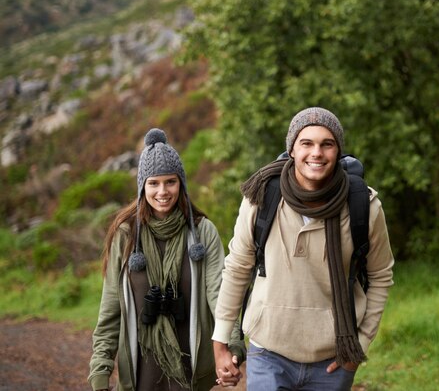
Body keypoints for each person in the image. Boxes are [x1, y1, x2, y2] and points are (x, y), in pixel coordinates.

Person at [212, 107, 395, 390]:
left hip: (333, 360)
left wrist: (360, 345)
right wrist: (221, 341)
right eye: (306, 143)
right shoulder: (261, 197)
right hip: (268, 352)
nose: (316, 153)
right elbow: (237, 268)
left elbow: (381, 276)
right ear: (292, 150)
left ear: (338, 151)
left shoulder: (365, 206)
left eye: (327, 144)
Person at [88, 128, 245, 391]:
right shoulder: (125, 235)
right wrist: (100, 370)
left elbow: (220, 295)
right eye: (154, 183)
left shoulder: (202, 231)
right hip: (140, 373)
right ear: (142, 187)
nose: (163, 191)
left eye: (170, 182)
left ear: (181, 184)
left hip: (191, 369)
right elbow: (110, 309)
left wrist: (233, 345)